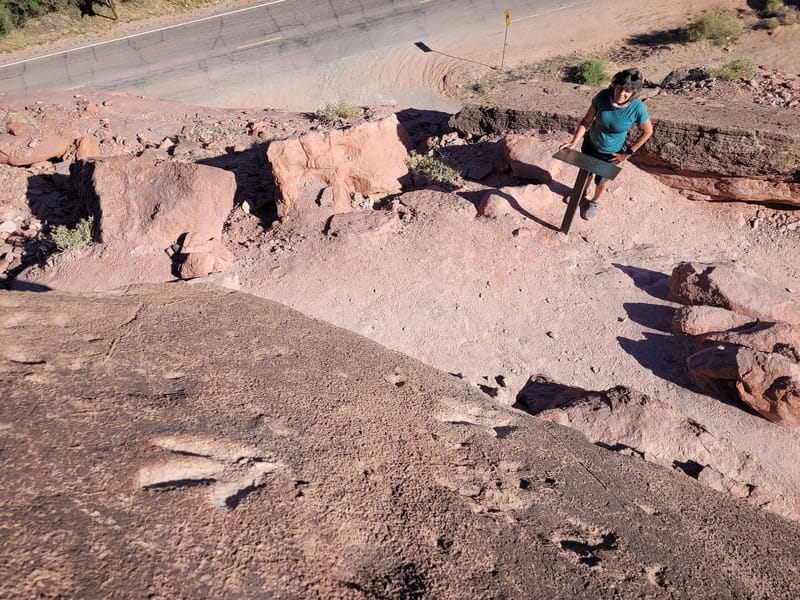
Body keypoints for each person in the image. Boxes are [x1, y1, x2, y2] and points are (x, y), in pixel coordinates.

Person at [560, 68, 654, 220]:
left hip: (611, 153)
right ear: (614, 85)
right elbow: (586, 121)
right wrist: (573, 142)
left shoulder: (636, 107)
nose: (621, 94)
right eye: (619, 88)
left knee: (601, 180)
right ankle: (581, 193)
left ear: (633, 94)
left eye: (627, 91)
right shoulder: (603, 96)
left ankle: (594, 202)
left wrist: (628, 153)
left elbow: (648, 131)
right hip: (591, 144)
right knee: (586, 172)